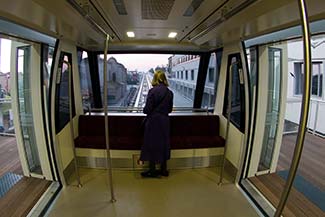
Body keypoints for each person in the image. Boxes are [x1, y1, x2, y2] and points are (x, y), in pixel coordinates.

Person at [140, 70, 173, 178]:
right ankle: (163, 170)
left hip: (153, 122)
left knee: (152, 145)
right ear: (164, 79)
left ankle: (152, 171)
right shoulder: (169, 92)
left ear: (155, 79)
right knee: (164, 144)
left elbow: (147, 110)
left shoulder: (152, 91)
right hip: (164, 121)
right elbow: (169, 110)